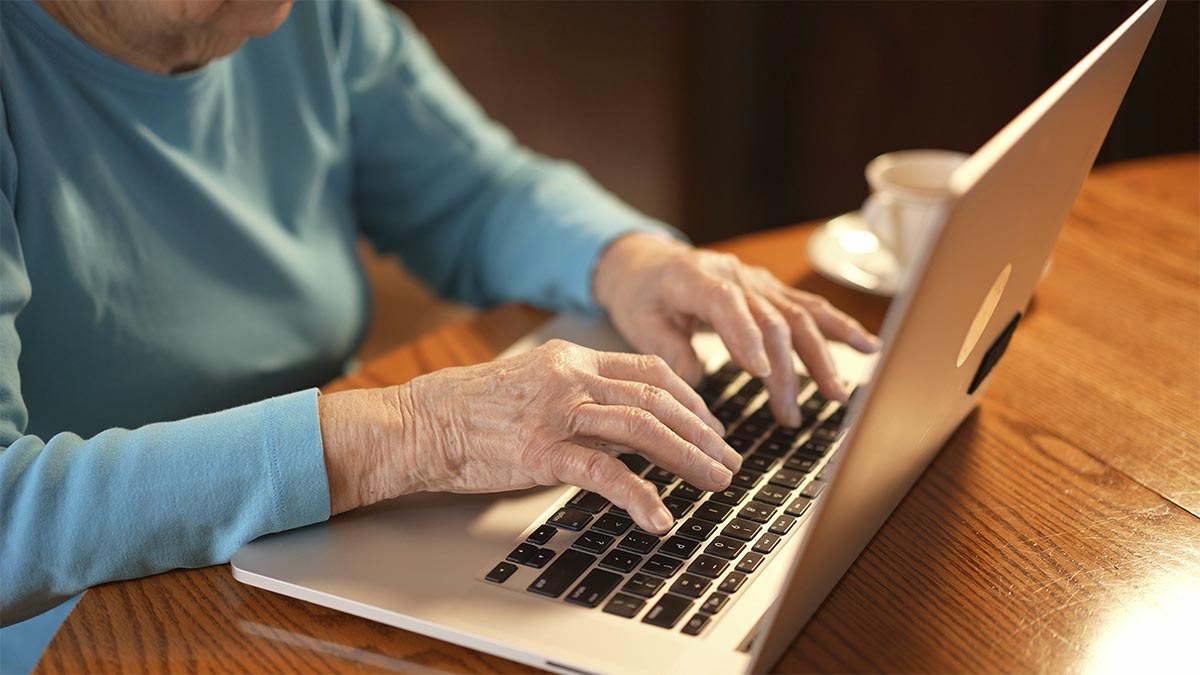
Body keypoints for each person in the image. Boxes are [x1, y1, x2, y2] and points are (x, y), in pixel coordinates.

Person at [0, 0, 880, 671]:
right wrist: (417, 434)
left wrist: (630, 260)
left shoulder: (307, 17)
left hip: (320, 534)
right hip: (96, 613)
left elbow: (473, 192)